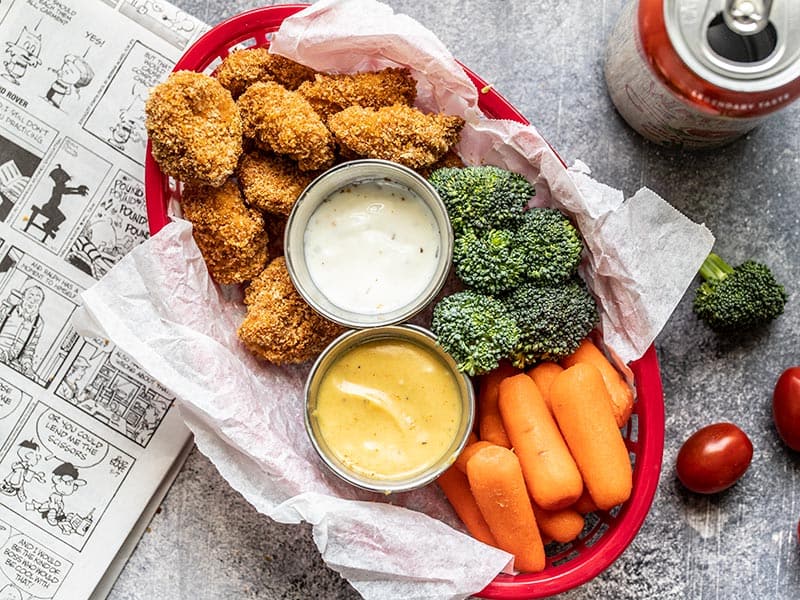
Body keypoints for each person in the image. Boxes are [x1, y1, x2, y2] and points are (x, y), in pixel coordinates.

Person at [0, 285, 44, 377]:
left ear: (40, 303)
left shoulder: (38, 323)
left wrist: (27, 366)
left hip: (12, 362)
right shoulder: (8, 310)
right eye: (30, 296)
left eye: (37, 298)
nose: (33, 300)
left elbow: (29, 350)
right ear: (23, 297)